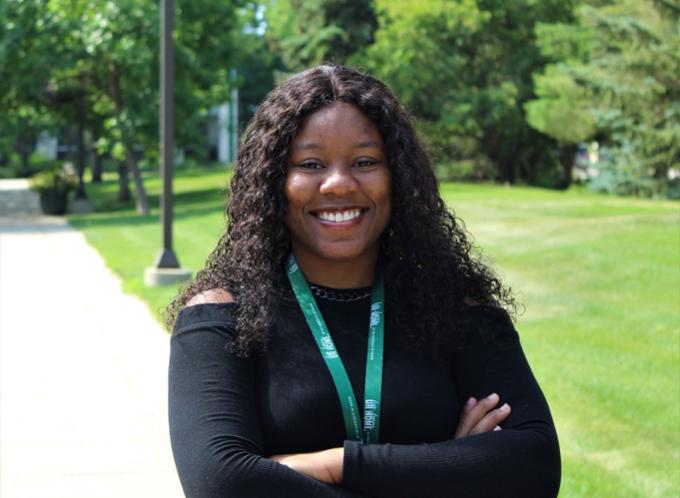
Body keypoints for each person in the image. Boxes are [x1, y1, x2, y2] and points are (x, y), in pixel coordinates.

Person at [167, 64, 561, 498]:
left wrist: (331, 465)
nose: (338, 184)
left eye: (365, 162)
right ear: (273, 182)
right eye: (311, 163)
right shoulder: (221, 317)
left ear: (398, 177)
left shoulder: (457, 310)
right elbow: (221, 483)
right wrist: (448, 467)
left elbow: (535, 464)